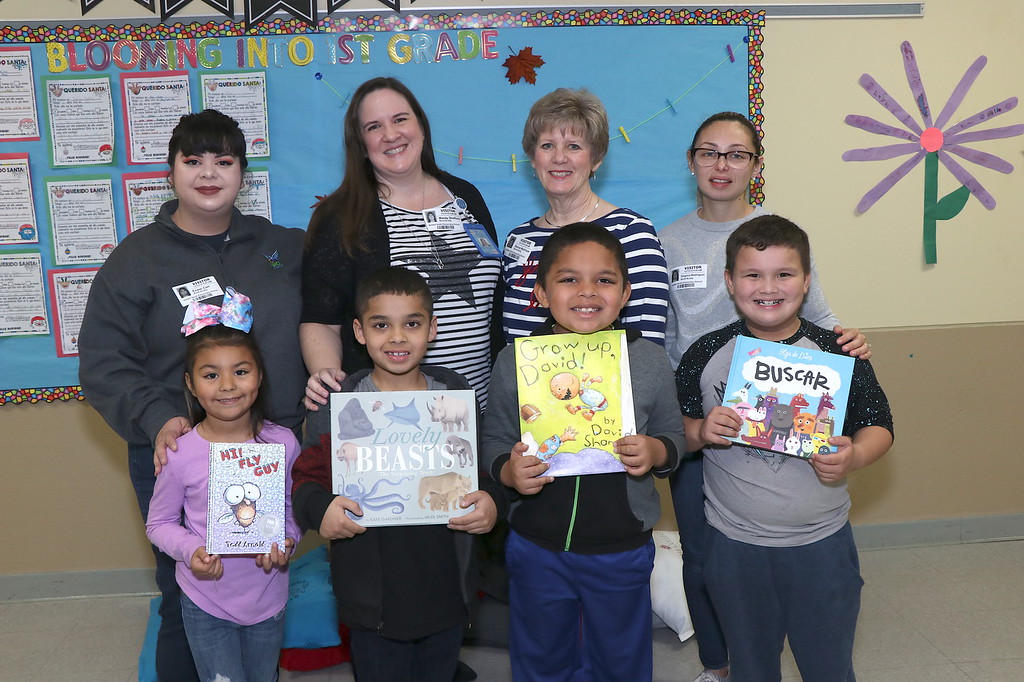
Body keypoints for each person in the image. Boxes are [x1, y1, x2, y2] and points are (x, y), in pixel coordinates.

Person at [78, 109, 305, 682]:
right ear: (171, 172)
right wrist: (158, 419)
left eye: (224, 161)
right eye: (193, 160)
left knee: (266, 586)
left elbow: (333, 318)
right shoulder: (137, 258)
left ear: (243, 174)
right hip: (177, 451)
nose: (209, 173)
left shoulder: (284, 248)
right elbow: (105, 362)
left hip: (272, 448)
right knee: (187, 593)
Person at [658, 111, 869, 682]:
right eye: (709, 152)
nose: (722, 165)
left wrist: (847, 338)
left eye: (737, 154)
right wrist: (684, 422)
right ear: (691, 160)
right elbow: (662, 332)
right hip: (702, 414)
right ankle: (721, 663)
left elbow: (818, 315)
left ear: (755, 163)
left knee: (778, 532)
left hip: (781, 412)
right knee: (709, 555)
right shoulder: (666, 240)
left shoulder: (777, 234)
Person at [675, 215, 893, 681]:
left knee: (829, 667)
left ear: (808, 281)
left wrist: (853, 455)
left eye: (784, 274)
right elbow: (676, 431)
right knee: (752, 668)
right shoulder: (705, 353)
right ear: (730, 281)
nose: (768, 287)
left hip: (822, 544)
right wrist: (701, 431)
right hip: (734, 546)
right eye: (752, 274)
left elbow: (878, 424)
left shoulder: (838, 353)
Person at [482, 223, 685, 681]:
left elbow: (675, 437)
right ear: (540, 292)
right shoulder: (515, 360)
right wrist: (509, 473)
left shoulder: (650, 361)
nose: (587, 292)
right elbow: (493, 439)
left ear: (626, 292)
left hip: (621, 545)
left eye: (605, 280)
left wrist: (655, 450)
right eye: (569, 279)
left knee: (621, 658)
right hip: (536, 543)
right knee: (541, 656)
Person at [291, 266, 506, 682]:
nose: (397, 337)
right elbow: (306, 479)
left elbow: (482, 471)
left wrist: (493, 503)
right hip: (371, 594)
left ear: (433, 328)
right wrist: (322, 511)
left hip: (445, 585)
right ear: (358, 331)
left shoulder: (452, 394)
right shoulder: (342, 404)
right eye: (380, 325)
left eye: (411, 323)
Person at [301, 77, 503, 410]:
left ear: (421, 126)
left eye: (399, 119)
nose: (391, 135)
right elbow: (321, 319)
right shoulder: (339, 216)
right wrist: (328, 378)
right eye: (374, 127)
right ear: (360, 144)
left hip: (478, 413)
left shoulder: (466, 196)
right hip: (390, 422)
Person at [146, 304, 299, 682]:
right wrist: (190, 550)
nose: (227, 385)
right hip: (206, 599)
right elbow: (159, 523)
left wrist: (287, 539)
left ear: (259, 377)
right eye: (211, 375)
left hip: (269, 594)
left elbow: (293, 509)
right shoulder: (180, 452)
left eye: (241, 371)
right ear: (191, 384)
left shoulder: (283, 442)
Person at [501, 87, 669, 344]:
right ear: (533, 159)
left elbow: (646, 346)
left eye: (573, 146)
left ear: (596, 159)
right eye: (547, 145)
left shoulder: (632, 232)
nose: (559, 158)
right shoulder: (519, 239)